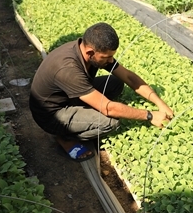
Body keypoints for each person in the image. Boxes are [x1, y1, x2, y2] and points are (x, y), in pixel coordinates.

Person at [28, 22, 174, 162]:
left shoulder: (88, 50)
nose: (111, 61)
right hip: (52, 114)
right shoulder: (67, 69)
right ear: (90, 52)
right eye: (106, 57)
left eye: (112, 56)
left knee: (116, 83)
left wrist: (159, 103)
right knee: (109, 122)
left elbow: (129, 77)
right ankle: (64, 138)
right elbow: (108, 108)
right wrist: (149, 115)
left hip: (68, 96)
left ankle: (86, 110)